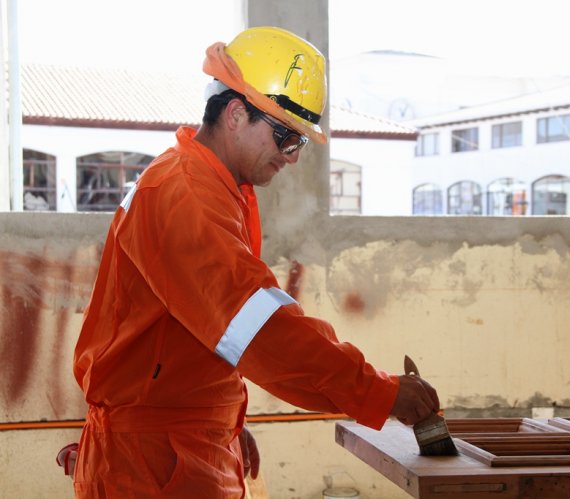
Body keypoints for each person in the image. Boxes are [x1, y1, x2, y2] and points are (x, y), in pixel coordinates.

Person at [62, 26, 441, 498]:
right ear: (237, 113)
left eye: (299, 143)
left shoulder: (213, 187)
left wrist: (222, 418)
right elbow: (261, 328)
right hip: (152, 463)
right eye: (287, 139)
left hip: (176, 446)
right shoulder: (186, 195)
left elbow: (193, 330)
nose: (292, 158)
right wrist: (378, 392)